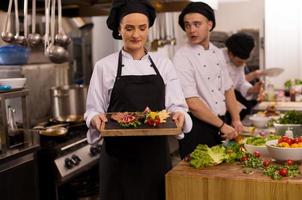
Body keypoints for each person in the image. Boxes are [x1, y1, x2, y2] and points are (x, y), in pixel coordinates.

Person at [84, 0, 192, 199]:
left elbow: (177, 106)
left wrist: (180, 114)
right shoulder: (104, 66)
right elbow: (92, 110)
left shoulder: (163, 64)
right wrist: (94, 119)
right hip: (117, 158)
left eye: (142, 28)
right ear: (119, 28)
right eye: (129, 28)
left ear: (148, 28)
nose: (136, 35)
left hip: (154, 156)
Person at [173, 2, 242, 159]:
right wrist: (223, 125)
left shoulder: (217, 53)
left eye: (197, 24)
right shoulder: (182, 57)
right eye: (187, 25)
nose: (191, 30)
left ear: (209, 24)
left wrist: (236, 119)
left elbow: (228, 88)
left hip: (220, 124)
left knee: (219, 176)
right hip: (197, 128)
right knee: (198, 179)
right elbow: (192, 102)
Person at [223, 32, 263, 118]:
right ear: (230, 53)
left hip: (230, 104)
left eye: (244, 62)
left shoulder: (238, 61)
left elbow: (240, 83)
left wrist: (252, 89)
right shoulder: (216, 59)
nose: (242, 65)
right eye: (239, 62)